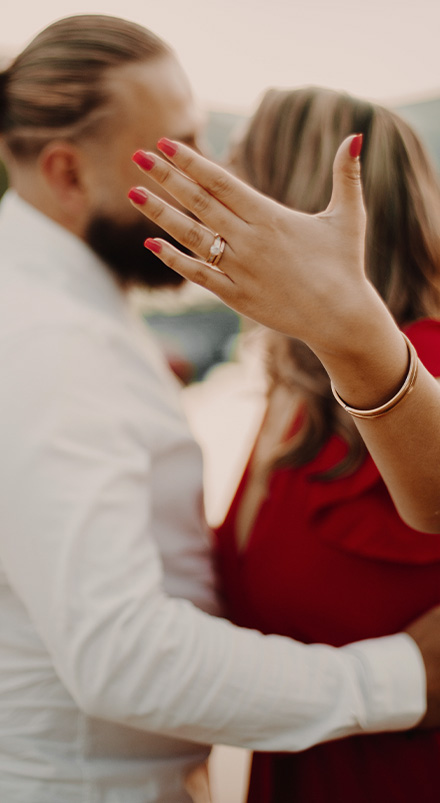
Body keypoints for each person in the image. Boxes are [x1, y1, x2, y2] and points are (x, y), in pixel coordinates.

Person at [0, 15, 439, 803]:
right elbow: (123, 652)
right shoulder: (49, 340)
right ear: (67, 174)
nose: (205, 183)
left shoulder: (82, 322)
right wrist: (400, 677)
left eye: (207, 149)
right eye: (175, 152)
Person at [212, 87, 440, 802]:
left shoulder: (418, 370)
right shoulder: (293, 386)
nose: (216, 187)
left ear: (291, 198)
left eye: (241, 170)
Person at [129, 119, 440, 539]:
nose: (211, 179)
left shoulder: (419, 360)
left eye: (237, 163)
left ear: (296, 197)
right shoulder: (293, 368)